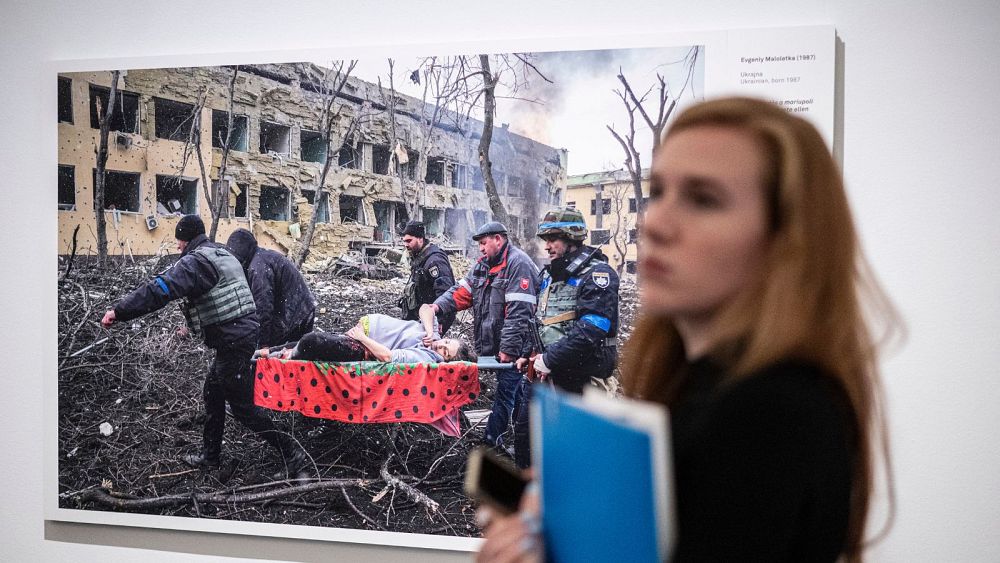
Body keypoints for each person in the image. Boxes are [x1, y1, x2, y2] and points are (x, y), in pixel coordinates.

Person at [477, 97, 896, 562]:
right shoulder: (705, 384)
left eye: (703, 199)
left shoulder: (769, 411)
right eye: (659, 194)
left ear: (785, 239)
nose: (655, 222)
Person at [101, 215, 311, 479]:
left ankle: (294, 454)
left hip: (234, 340)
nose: (178, 247)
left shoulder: (195, 262)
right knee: (213, 392)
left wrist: (119, 312)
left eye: (179, 241)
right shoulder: (220, 253)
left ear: (185, 239)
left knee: (242, 407)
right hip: (240, 336)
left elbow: (159, 290)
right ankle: (210, 456)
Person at [510, 207, 620, 468]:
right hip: (546, 374)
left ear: (572, 238)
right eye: (545, 240)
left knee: (576, 453)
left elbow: (591, 331)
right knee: (525, 437)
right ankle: (530, 499)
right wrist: (528, 353)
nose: (547, 247)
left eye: (553, 240)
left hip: (580, 377)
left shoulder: (597, 275)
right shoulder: (549, 275)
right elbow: (540, 320)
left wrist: (548, 359)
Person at [427, 221, 540, 450]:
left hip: (518, 345)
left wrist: (508, 350)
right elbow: (461, 292)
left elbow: (519, 314)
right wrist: (436, 307)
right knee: (515, 390)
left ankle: (491, 439)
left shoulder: (519, 265)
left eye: (484, 243)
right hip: (495, 344)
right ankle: (523, 433)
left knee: (505, 392)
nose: (480, 248)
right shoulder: (482, 266)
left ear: (498, 239)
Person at [266, 311, 475, 365]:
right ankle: (266, 352)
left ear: (444, 361)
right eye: (446, 342)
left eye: (445, 352)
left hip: (364, 349)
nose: (441, 346)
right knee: (306, 341)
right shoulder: (433, 338)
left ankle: (286, 357)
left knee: (312, 341)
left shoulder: (426, 358)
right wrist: (430, 331)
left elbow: (387, 357)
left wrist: (361, 337)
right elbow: (426, 309)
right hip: (362, 335)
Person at [226, 228, 316, 348]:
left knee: (278, 356)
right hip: (302, 310)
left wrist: (264, 343)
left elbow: (263, 307)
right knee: (292, 354)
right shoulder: (262, 257)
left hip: (295, 315)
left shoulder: (258, 267)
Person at [397, 220, 457, 334]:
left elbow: (445, 292)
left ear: (420, 239)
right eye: (404, 241)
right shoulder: (420, 257)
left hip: (433, 317)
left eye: (409, 241)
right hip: (422, 316)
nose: (405, 245)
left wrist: (440, 320)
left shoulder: (434, 260)